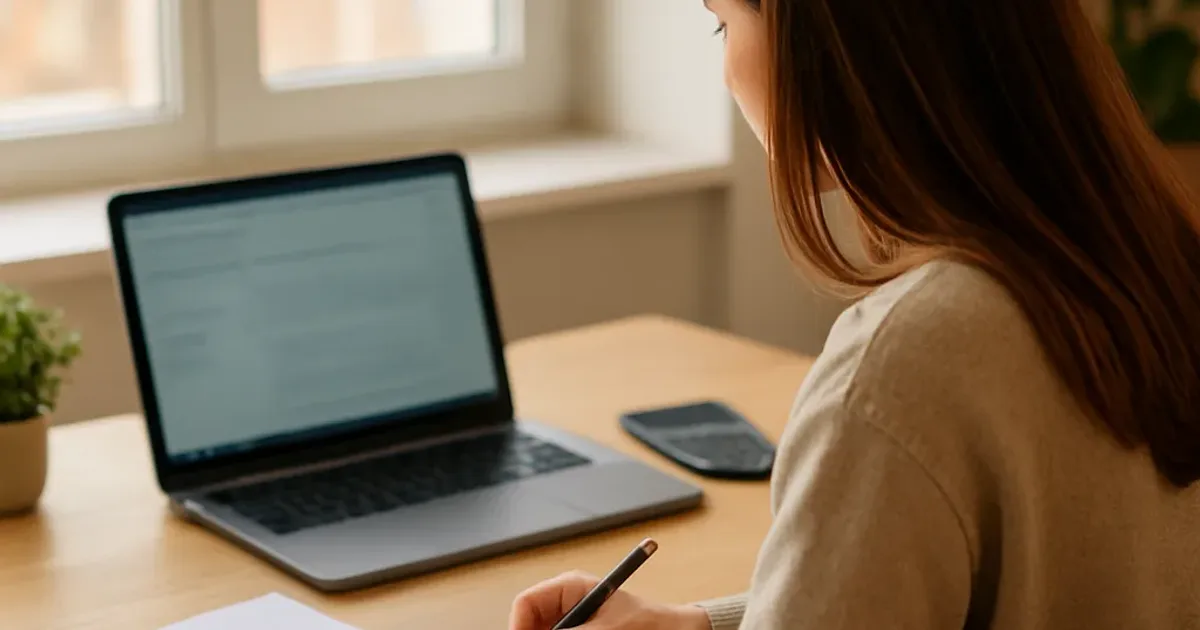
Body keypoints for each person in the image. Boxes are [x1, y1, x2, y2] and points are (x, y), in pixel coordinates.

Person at [509, 0, 1200, 628]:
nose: (724, 73)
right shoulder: (1153, 267)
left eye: (722, 25)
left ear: (828, 36)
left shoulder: (903, 367)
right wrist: (702, 625)